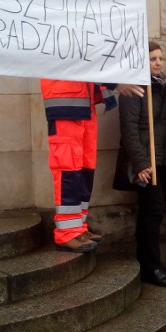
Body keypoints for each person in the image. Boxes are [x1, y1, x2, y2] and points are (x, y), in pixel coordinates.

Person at [40, 78, 143, 253]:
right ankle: (66, 233)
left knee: (84, 170)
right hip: (66, 105)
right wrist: (113, 83)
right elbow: (82, 56)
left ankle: (78, 228)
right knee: (68, 170)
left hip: (82, 103)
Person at [114, 41, 166, 287]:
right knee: (153, 211)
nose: (158, 62)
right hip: (145, 163)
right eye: (152, 59)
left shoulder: (163, 89)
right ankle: (150, 267)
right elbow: (129, 130)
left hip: (161, 160)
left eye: (160, 58)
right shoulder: (133, 90)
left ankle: (151, 263)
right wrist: (141, 163)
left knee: (154, 212)